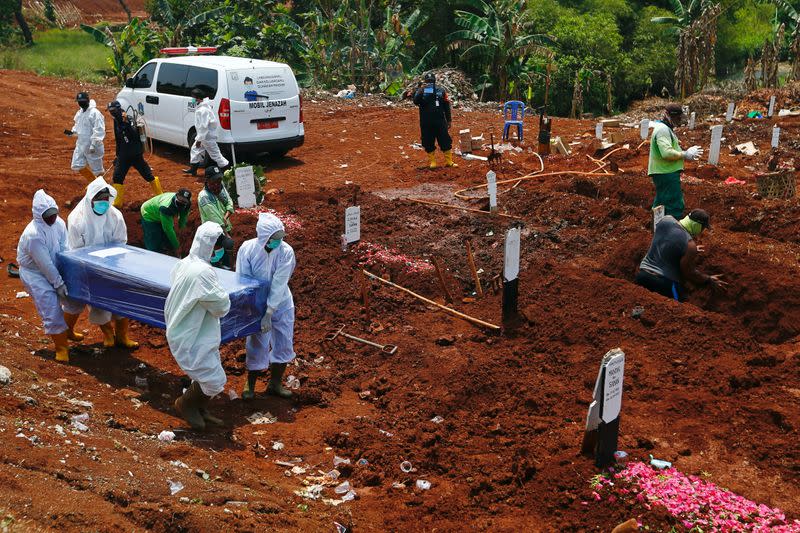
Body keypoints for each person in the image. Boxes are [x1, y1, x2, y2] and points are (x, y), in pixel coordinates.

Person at [164, 221, 231, 430]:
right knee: (214, 379)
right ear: (209, 246)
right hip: (190, 333)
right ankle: (185, 404)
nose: (221, 252)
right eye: (218, 247)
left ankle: (200, 408)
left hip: (190, 328)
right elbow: (221, 306)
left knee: (208, 374)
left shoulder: (185, 263)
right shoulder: (203, 273)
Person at [62, 177, 138, 349]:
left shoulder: (115, 216)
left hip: (113, 265)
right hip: (87, 266)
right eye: (99, 200)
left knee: (120, 299)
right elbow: (76, 249)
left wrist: (113, 264)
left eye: (106, 200)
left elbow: (120, 241)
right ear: (91, 200)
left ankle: (122, 336)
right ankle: (108, 333)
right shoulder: (77, 219)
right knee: (98, 302)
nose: (103, 204)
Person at [236, 213, 297, 400]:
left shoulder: (286, 252)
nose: (278, 241)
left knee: (284, 341)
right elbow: (243, 280)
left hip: (281, 303)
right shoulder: (248, 249)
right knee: (257, 342)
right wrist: (252, 308)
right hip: (256, 303)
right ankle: (250, 384)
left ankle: (275, 383)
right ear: (264, 237)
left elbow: (279, 283)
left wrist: (269, 312)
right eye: (274, 238)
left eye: (280, 237)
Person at [17, 190, 81, 362]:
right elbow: (44, 264)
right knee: (50, 306)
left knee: (75, 300)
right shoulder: (34, 235)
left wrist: (68, 271)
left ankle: (67, 331)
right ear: (39, 215)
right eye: (48, 215)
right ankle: (61, 348)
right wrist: (58, 284)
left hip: (56, 266)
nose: (52, 218)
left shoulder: (59, 223)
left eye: (54, 213)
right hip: (35, 274)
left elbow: (64, 247)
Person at [635, 209, 726, 302]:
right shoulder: (689, 244)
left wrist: (685, 250)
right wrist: (708, 279)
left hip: (642, 276)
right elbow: (688, 273)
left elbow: (667, 239)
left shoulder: (666, 219)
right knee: (679, 309)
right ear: (696, 225)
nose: (702, 231)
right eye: (702, 228)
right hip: (663, 284)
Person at [648, 104, 703, 219]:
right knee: (674, 204)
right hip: (666, 172)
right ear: (668, 116)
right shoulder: (662, 130)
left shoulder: (665, 128)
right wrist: (685, 154)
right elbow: (666, 153)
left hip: (664, 171)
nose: (679, 121)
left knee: (661, 201)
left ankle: (657, 226)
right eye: (677, 118)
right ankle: (674, 229)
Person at [106, 100, 163, 207]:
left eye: (113, 110)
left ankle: (161, 196)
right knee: (117, 177)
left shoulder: (129, 119)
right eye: (110, 110)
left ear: (118, 109)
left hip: (135, 154)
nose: (111, 112)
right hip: (123, 155)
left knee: (147, 175)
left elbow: (134, 135)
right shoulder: (116, 120)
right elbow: (119, 140)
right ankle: (117, 203)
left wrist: (126, 124)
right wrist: (117, 155)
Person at [413, 72, 457, 169]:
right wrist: (421, 90)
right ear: (425, 82)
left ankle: (449, 161)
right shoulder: (421, 91)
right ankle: (433, 162)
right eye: (428, 81)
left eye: (431, 81)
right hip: (426, 122)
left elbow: (446, 106)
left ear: (434, 81)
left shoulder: (441, 91)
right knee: (428, 141)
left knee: (445, 140)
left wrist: (449, 120)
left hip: (440, 121)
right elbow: (415, 101)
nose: (430, 83)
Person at [184, 88, 229, 176]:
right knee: (195, 150)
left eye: (193, 97)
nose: (192, 99)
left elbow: (203, 127)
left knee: (215, 154)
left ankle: (227, 171)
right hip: (205, 136)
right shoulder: (203, 107)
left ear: (197, 98)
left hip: (207, 137)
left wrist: (199, 139)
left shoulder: (203, 110)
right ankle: (193, 170)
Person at [197, 165, 235, 268]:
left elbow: (229, 203)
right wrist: (226, 234)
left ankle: (227, 267)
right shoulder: (204, 196)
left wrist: (226, 216)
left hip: (225, 226)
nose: (217, 184)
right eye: (214, 182)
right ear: (207, 180)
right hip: (214, 231)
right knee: (217, 254)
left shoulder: (220, 187)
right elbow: (214, 217)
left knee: (226, 253)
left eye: (219, 181)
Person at [66, 92, 105, 182]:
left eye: (82, 101)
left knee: (97, 170)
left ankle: (102, 188)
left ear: (87, 101)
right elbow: (77, 127)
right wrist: (72, 132)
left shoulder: (94, 113)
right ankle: (93, 182)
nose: (80, 103)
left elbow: (99, 129)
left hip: (93, 146)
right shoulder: (79, 113)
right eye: (79, 101)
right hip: (81, 144)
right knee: (77, 164)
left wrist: (94, 144)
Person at [140, 189, 192, 256]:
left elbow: (183, 217)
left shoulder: (187, 205)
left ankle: (168, 249)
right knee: (154, 240)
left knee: (168, 239)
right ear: (176, 196)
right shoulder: (166, 207)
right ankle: (153, 255)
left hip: (162, 213)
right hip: (149, 213)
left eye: (184, 202)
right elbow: (168, 229)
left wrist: (182, 229)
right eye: (180, 200)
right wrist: (177, 246)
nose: (181, 203)